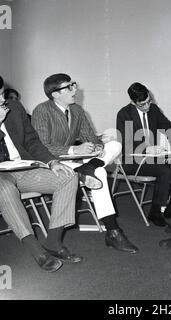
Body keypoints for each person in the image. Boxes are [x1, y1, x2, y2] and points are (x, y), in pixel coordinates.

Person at [32, 73, 138, 254]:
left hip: (78, 162)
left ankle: (90, 167)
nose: (75, 90)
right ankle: (113, 231)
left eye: (73, 85)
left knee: (115, 144)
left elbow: (91, 137)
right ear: (55, 94)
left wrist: (95, 147)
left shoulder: (77, 111)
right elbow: (42, 146)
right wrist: (74, 150)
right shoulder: (42, 110)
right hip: (53, 162)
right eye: (69, 87)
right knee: (101, 173)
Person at [0, 75, 82, 272]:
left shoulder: (15, 107)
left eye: (2, 94)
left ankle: (53, 242)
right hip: (1, 177)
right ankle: (36, 251)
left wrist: (51, 162)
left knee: (68, 176)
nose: (2, 100)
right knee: (4, 188)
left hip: (22, 167)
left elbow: (32, 140)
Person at [116, 82, 171, 227]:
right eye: (142, 104)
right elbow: (126, 144)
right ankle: (155, 211)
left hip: (153, 159)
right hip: (132, 160)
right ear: (133, 102)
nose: (147, 106)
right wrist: (146, 150)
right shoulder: (124, 114)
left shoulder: (154, 110)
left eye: (149, 101)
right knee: (164, 170)